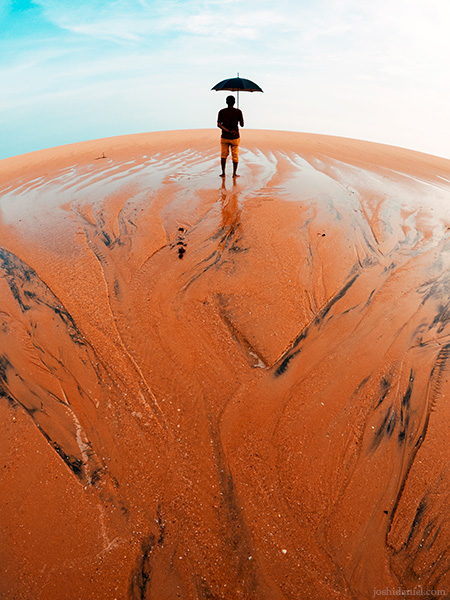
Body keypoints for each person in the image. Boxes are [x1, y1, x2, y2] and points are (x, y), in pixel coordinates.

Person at [217, 95, 244, 178]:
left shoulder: (221, 111)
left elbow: (219, 124)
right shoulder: (238, 112)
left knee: (223, 155)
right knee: (235, 155)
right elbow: (242, 125)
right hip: (235, 137)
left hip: (225, 136)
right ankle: (234, 174)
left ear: (226, 102)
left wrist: (227, 130)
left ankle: (223, 173)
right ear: (234, 102)